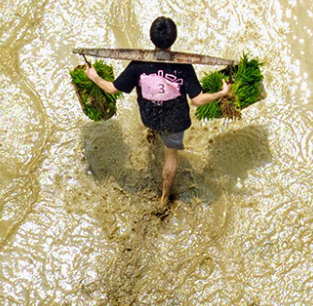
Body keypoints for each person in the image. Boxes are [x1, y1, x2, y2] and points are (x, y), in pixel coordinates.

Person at [82, 16, 230, 209]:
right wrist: (221, 93)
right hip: (174, 122)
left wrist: (94, 76)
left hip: (149, 116)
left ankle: (153, 133)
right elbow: (197, 100)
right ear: (174, 39)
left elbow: (111, 89)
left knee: (153, 126)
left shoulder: (138, 64)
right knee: (171, 157)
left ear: (151, 38)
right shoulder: (184, 66)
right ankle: (164, 198)